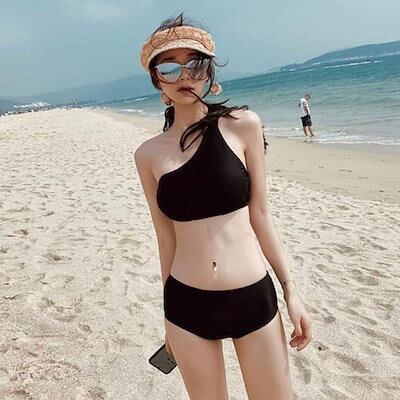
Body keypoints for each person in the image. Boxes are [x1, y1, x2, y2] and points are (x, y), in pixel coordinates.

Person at [135, 13, 312, 400]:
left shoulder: (243, 125)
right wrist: (167, 317)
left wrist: (291, 292)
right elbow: (165, 239)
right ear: (157, 81)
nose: (184, 76)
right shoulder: (148, 155)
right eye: (170, 68)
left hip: (252, 296)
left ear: (209, 72)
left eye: (194, 65)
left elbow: (261, 216)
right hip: (186, 305)